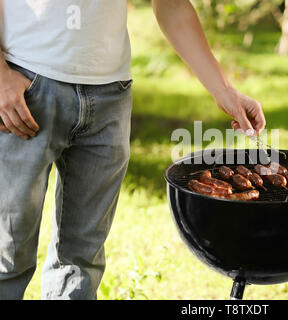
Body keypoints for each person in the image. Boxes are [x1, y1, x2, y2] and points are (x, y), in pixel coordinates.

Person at [0, 0, 265, 300]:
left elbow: (172, 5)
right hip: (24, 86)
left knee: (81, 264)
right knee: (7, 253)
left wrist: (224, 91)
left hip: (110, 96)